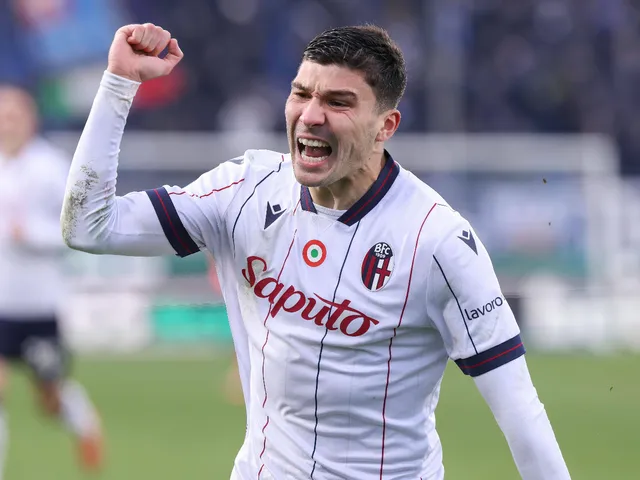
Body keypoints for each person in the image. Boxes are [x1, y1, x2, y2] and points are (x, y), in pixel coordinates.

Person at [61, 23, 571, 479]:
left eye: (338, 102)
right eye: (301, 93)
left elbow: (520, 411)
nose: (310, 116)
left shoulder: (437, 241)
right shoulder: (243, 189)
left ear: (386, 126)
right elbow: (89, 227)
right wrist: (119, 82)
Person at [0, 85, 104, 476]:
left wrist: (30, 234)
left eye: (13, 117)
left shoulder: (52, 168)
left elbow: (75, 231)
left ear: (31, 120)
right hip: (1, 302)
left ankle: (85, 423)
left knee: (48, 398)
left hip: (39, 307)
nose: (6, 125)